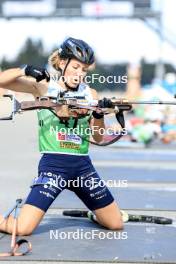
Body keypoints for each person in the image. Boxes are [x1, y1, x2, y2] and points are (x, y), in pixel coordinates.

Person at [0, 37, 123, 236]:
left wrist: (99, 113)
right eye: (75, 67)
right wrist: (25, 69)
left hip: (83, 167)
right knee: (22, 229)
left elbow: (99, 138)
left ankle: (95, 213)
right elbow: (2, 80)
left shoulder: (91, 93)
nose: (79, 74)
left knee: (116, 224)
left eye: (84, 70)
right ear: (63, 63)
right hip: (54, 166)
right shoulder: (43, 87)